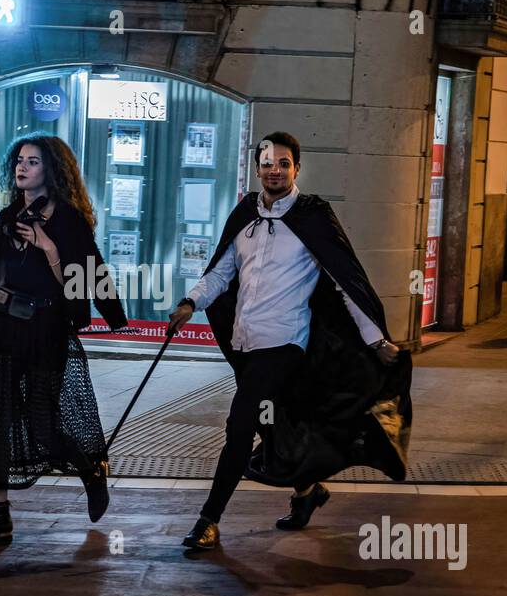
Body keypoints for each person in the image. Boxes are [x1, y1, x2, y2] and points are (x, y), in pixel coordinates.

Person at [167, 131, 412, 551]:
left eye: (284, 163)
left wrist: (376, 341)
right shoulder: (244, 215)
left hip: (286, 345)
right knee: (274, 425)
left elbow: (343, 282)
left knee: (240, 423)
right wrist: (190, 302)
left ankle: (208, 519)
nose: (274, 170)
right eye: (267, 163)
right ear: (256, 167)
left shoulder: (311, 217)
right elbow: (221, 273)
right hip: (246, 342)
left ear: (297, 168)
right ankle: (307, 493)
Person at [0, 134, 127, 546]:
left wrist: (48, 248)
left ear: (52, 171)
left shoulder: (68, 221)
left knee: (44, 426)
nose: (22, 168)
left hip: (46, 330)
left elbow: (79, 282)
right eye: (19, 161)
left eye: (33, 162)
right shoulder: (7, 217)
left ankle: (91, 469)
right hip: (6, 330)